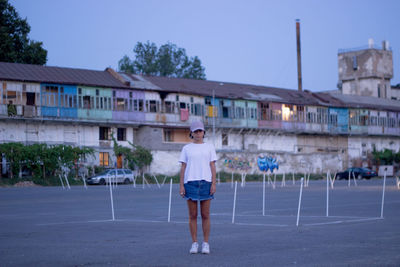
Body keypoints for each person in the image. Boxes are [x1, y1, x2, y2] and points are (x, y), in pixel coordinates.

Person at [179, 120, 217, 254]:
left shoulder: (209, 147)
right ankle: (194, 243)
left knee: (205, 215)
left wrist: (213, 183)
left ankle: (205, 243)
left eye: (200, 131)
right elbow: (183, 167)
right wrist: (181, 186)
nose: (198, 133)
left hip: (206, 183)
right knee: (193, 215)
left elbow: (212, 166)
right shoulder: (186, 148)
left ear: (203, 132)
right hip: (190, 183)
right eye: (195, 131)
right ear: (191, 133)